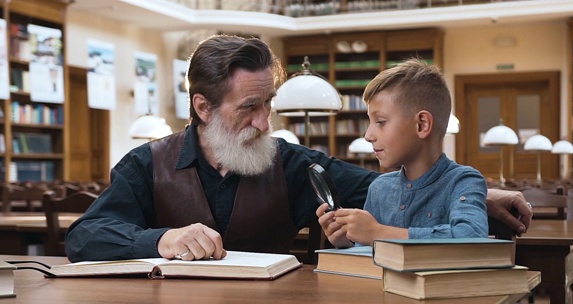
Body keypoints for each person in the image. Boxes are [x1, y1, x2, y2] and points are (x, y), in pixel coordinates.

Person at [65, 35, 532, 263]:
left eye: (268, 104)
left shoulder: (291, 163)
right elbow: (84, 237)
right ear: (203, 107)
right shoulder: (147, 164)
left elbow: (388, 185)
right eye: (249, 107)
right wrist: (161, 238)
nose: (266, 122)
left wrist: (481, 194)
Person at [316, 59, 487, 248]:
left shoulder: (463, 181)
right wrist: (346, 242)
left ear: (422, 124)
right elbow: (369, 256)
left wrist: (377, 232)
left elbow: (472, 238)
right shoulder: (379, 188)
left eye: (380, 122)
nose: (368, 135)